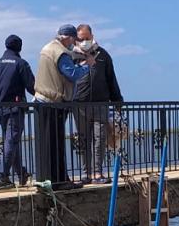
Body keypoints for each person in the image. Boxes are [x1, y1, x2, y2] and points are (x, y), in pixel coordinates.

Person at [35, 24, 93, 190]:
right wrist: (87, 64)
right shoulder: (61, 53)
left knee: (47, 144)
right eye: (74, 39)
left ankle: (48, 180)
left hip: (42, 101)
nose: (75, 42)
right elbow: (73, 74)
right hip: (53, 104)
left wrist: (78, 53)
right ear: (68, 37)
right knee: (56, 144)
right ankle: (60, 181)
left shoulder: (48, 48)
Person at [73, 24, 123, 184]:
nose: (85, 41)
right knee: (83, 139)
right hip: (79, 104)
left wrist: (117, 101)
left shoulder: (103, 55)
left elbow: (111, 78)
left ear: (92, 36)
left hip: (101, 103)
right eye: (81, 39)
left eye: (87, 38)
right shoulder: (71, 56)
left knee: (99, 138)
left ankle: (97, 173)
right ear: (76, 39)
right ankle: (86, 173)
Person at [0, 34, 35, 188]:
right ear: (19, 47)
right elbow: (32, 87)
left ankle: (21, 173)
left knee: (11, 142)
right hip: (15, 108)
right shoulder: (20, 63)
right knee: (11, 141)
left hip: (0, 109)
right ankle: (3, 176)